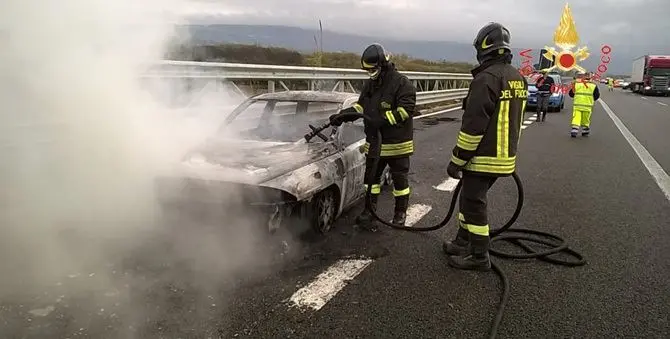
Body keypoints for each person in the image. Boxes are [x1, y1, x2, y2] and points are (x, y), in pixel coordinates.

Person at [441, 22, 527, 271]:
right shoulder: (516, 76)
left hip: (484, 156)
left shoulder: (486, 79)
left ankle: (479, 256)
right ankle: (463, 241)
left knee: (474, 203)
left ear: (483, 48)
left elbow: (473, 127)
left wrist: (456, 160)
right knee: (470, 199)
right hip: (505, 155)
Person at [328, 43, 417, 231]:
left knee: (400, 182)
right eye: (367, 70)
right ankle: (370, 212)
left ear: (383, 65)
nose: (370, 73)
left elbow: (405, 111)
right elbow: (362, 107)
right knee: (370, 182)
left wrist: (382, 120)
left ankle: (400, 213)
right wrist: (345, 114)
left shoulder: (402, 83)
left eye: (373, 69)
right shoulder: (370, 84)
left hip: (397, 144)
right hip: (374, 144)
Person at [569, 71, 600, 137]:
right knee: (586, 119)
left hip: (577, 105)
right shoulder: (593, 85)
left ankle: (574, 130)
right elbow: (597, 95)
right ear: (590, 77)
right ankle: (585, 131)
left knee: (576, 118)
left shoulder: (576, 84)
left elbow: (571, 94)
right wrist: (591, 100)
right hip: (587, 106)